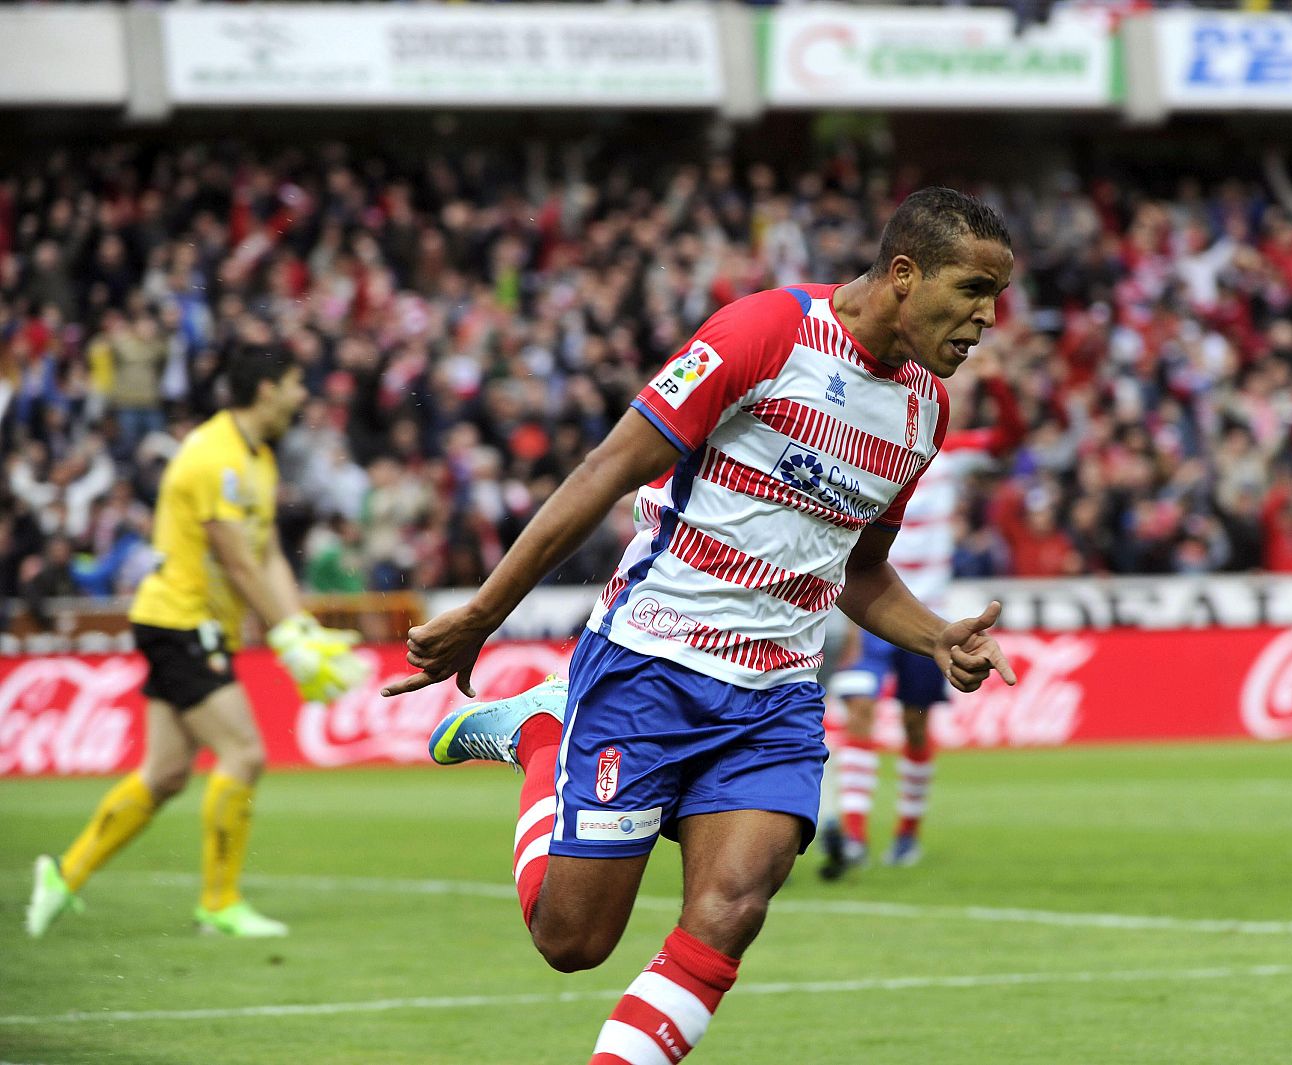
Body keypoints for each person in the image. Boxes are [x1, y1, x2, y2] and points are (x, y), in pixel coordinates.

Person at [386, 187, 1018, 1065]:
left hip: (778, 699)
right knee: (572, 940)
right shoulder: (764, 333)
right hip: (652, 663)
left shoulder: (923, 412)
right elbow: (606, 468)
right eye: (974, 290)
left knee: (732, 910)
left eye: (997, 297)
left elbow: (858, 569)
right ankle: (541, 729)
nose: (988, 318)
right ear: (904, 276)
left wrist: (933, 633)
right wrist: (484, 614)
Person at [25, 345, 369, 939]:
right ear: (264, 388)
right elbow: (235, 561)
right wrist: (286, 641)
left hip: (191, 624)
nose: (300, 395)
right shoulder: (212, 455)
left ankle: (62, 876)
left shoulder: (256, 458)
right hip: (181, 622)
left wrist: (300, 625)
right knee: (245, 754)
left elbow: (264, 555)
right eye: (292, 383)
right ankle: (219, 903)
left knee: (164, 774)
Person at [822, 351, 1025, 875]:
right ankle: (857, 836)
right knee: (860, 708)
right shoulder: (861, 451)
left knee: (914, 726)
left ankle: (907, 832)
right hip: (867, 611)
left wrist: (998, 382)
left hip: (929, 616)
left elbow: (1010, 438)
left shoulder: (952, 454)